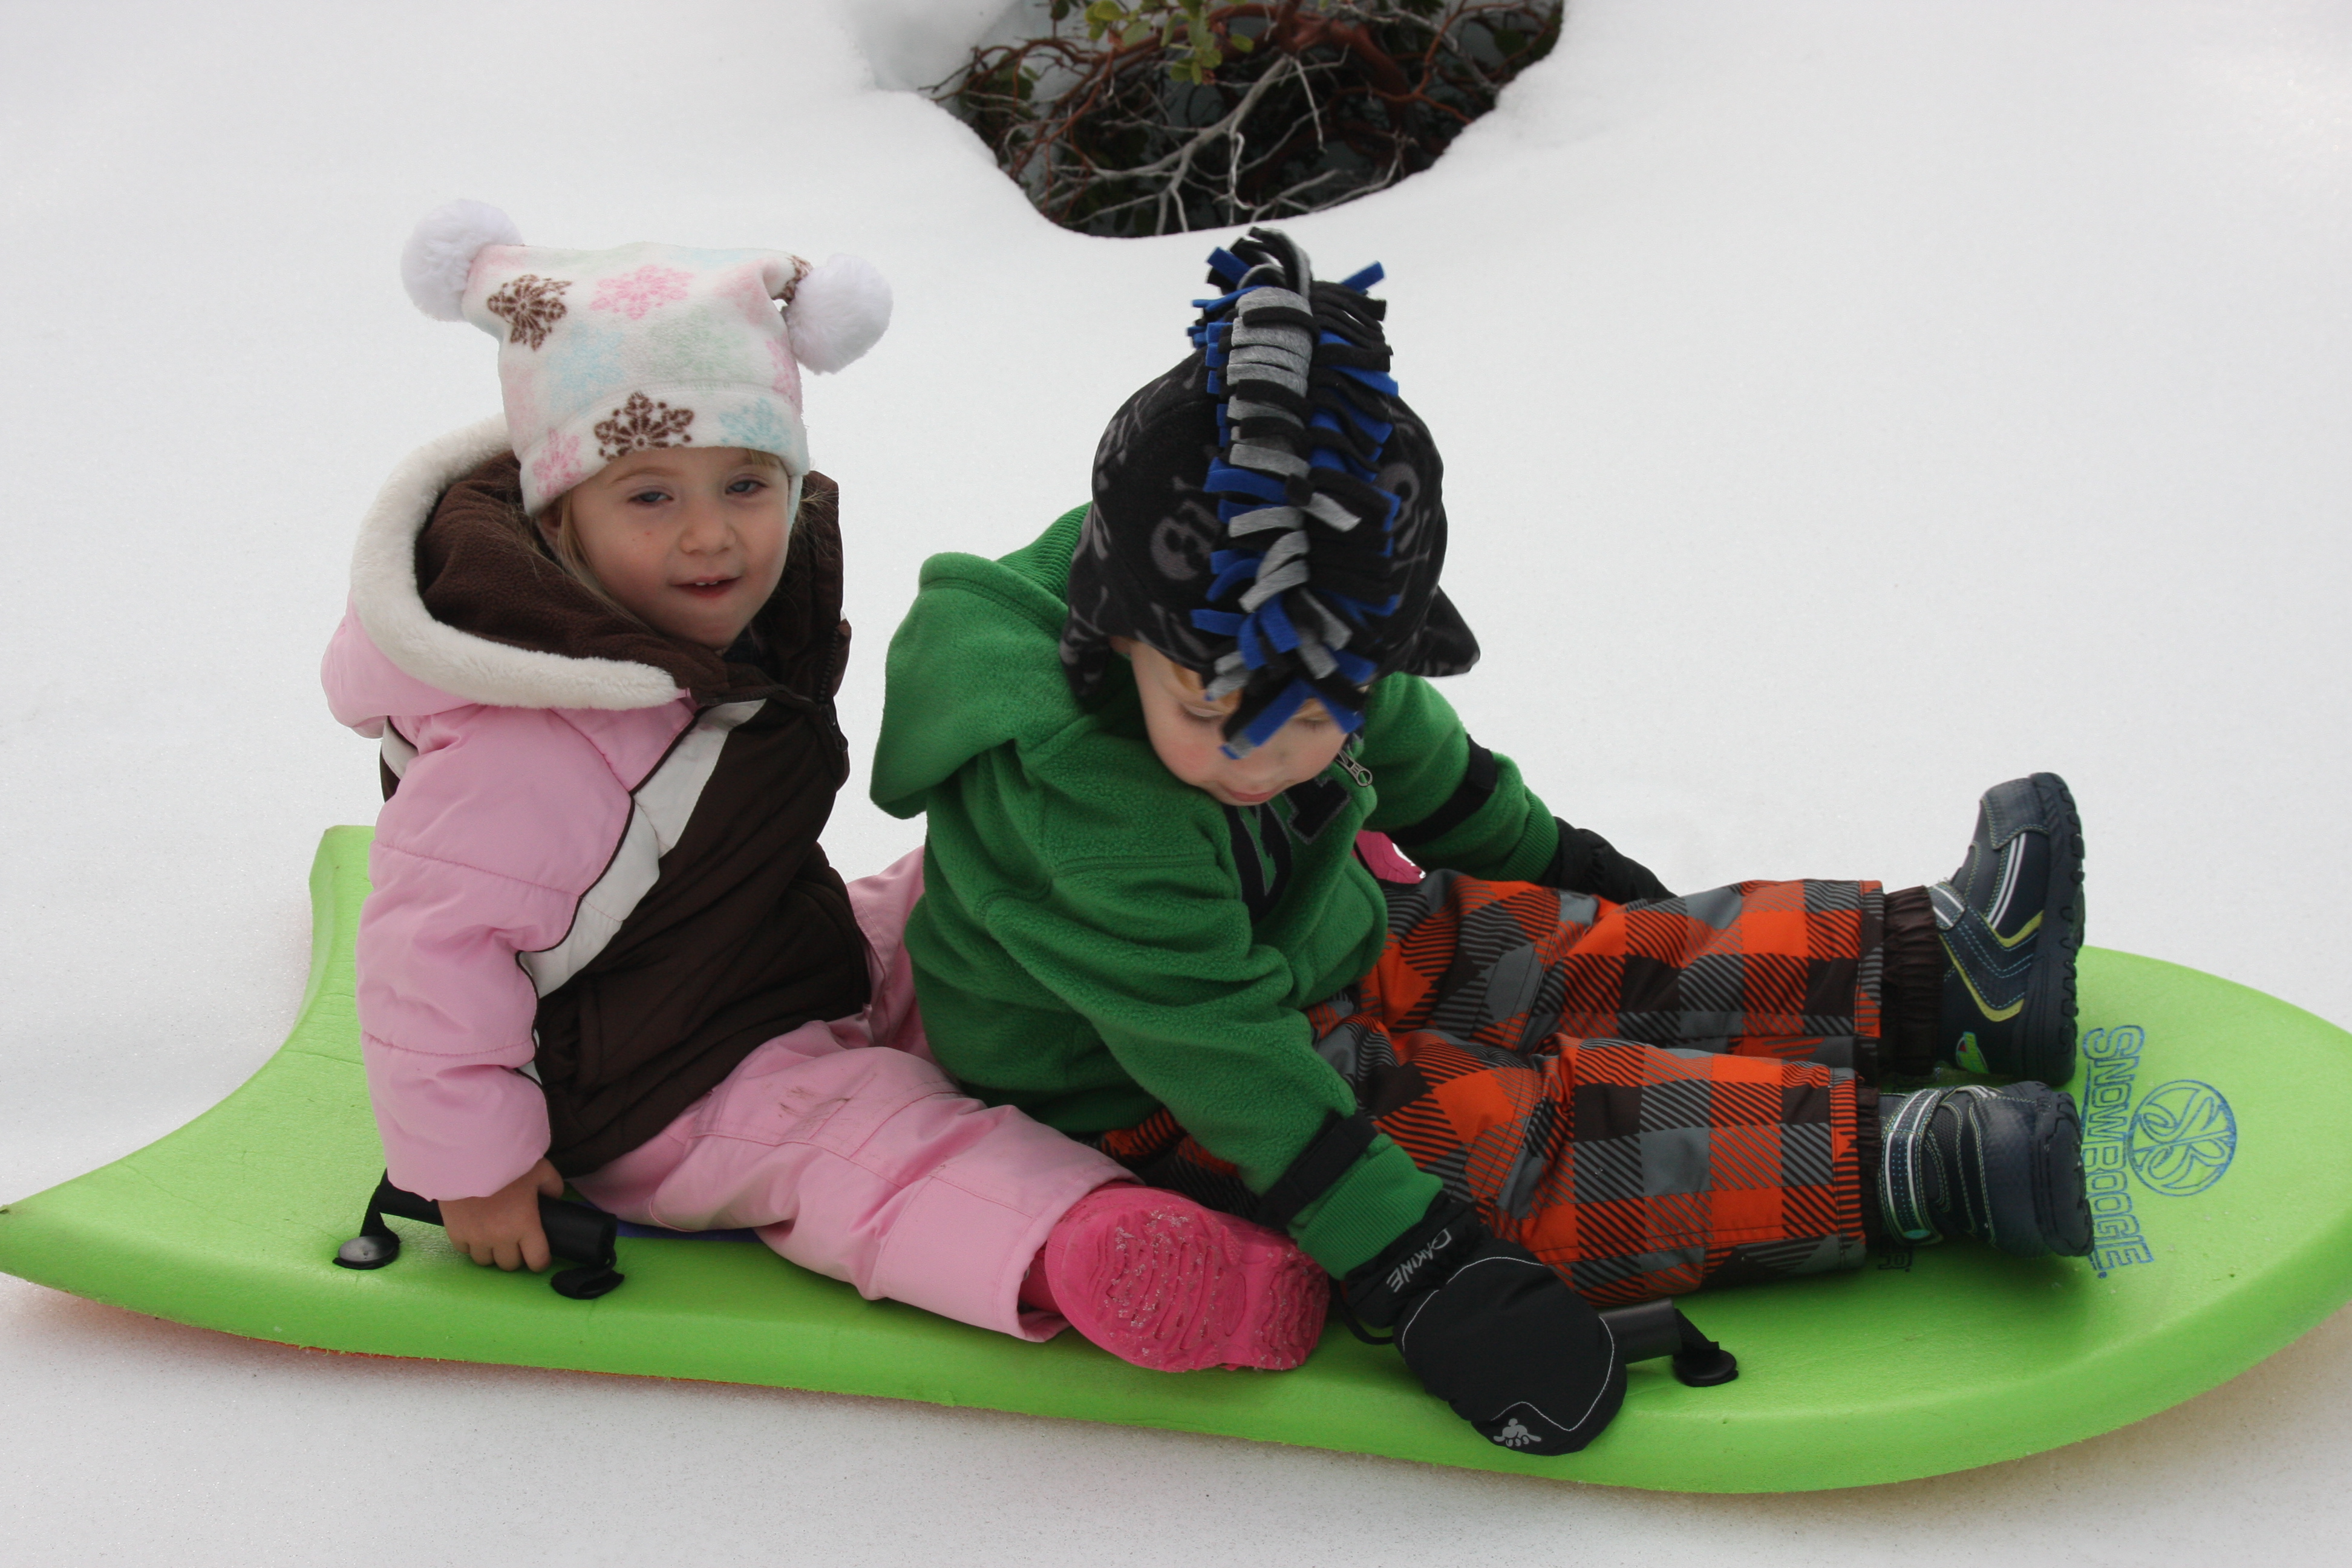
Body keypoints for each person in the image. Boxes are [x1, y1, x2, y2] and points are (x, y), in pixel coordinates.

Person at [871, 227, 2094, 1454]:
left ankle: (1945, 973)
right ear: (1118, 626)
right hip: (1158, 1089)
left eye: (1319, 710)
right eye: (1213, 710)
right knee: (1512, 1141)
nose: (1267, 754)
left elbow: (1410, 751)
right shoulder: (1081, 800)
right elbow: (1226, 1057)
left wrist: (1558, 860)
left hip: (1317, 940)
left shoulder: (1288, 603)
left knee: (1561, 951)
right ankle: (1909, 1163)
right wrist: (1415, 1266)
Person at [317, 203, 1327, 1374]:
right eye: (650, 496)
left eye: (747, 484)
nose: (712, 537)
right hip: (653, 1084)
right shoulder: (535, 739)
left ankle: (1223, 959)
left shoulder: (705, 630)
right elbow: (429, 954)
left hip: (772, 954)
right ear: (562, 514)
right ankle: (1091, 1248)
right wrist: (476, 1166)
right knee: (858, 1141)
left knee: (984, 896)